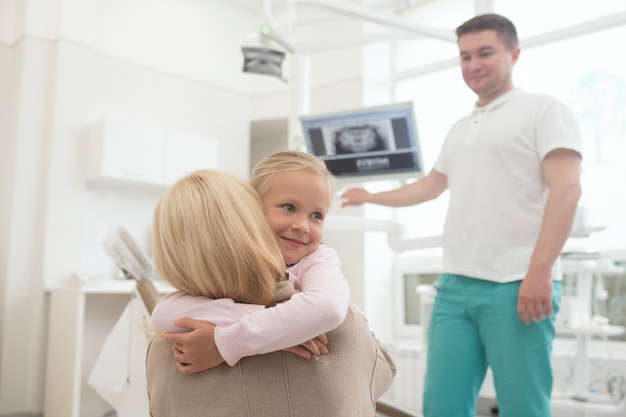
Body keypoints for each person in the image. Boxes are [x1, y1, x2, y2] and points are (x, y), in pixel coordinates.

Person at [341, 13, 582, 417]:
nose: (474, 65)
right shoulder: (460, 127)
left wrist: (540, 270)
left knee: (524, 407)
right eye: (465, 56)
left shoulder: (544, 110)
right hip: (455, 288)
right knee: (441, 406)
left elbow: (567, 190)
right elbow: (429, 187)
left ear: (514, 53)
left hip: (516, 284)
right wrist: (371, 195)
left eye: (485, 53)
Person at [155, 150, 351, 372]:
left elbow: (329, 308)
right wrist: (269, 320)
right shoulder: (244, 263)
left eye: (316, 215)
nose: (303, 226)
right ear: (253, 209)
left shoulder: (318, 258)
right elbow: (163, 314)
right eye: (289, 208)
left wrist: (225, 343)